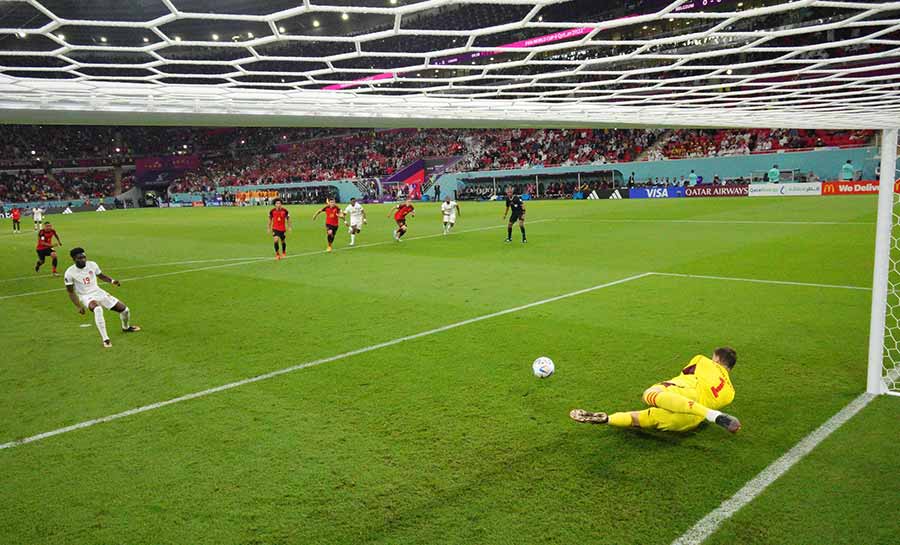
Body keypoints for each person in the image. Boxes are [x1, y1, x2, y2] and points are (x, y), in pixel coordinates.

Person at [570, 347, 741, 433]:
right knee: (646, 418)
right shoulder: (730, 393)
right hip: (689, 422)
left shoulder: (703, 360)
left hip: (687, 392)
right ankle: (607, 419)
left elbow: (684, 374)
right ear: (730, 368)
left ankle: (609, 419)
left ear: (717, 358)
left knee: (650, 395)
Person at [64, 247, 141, 348]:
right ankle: (106, 339)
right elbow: (70, 291)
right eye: (80, 258)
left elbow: (101, 276)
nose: (83, 259)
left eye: (84, 257)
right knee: (98, 309)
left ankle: (126, 328)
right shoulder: (69, 273)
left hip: (99, 292)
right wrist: (78, 306)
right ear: (74, 259)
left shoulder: (92, 264)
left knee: (125, 310)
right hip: (86, 296)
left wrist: (112, 281)